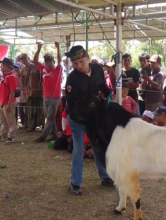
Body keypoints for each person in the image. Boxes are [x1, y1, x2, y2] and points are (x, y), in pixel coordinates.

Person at [65, 45, 114, 195]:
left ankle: (105, 177)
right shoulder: (72, 79)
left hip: (93, 117)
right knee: (79, 149)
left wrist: (109, 93)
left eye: (81, 62)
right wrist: (89, 105)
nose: (79, 66)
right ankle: (75, 183)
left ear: (87, 58)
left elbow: (102, 85)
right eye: (75, 63)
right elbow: (72, 103)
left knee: (99, 146)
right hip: (77, 119)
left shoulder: (98, 69)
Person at [34, 42, 62, 143]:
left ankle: (43, 136)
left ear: (53, 62)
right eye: (47, 62)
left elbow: (60, 60)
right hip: (45, 96)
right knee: (49, 116)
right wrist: (39, 48)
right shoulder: (44, 69)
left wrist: (58, 48)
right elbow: (35, 61)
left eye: (50, 61)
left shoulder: (58, 70)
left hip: (55, 97)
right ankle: (54, 134)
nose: (48, 63)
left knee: (50, 117)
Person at [0, 58, 18, 144]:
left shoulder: (12, 76)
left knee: (11, 121)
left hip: (8, 102)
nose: (1, 66)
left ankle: (11, 136)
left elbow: (13, 91)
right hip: (2, 101)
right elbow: (1, 89)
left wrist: (9, 104)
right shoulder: (4, 76)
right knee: (3, 121)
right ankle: (4, 135)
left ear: (8, 66)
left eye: (3, 65)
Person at [20, 53, 44, 132]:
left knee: (39, 109)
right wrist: (25, 90)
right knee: (30, 110)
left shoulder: (35, 67)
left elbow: (41, 78)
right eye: (22, 59)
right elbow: (23, 81)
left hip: (38, 92)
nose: (24, 60)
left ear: (28, 58)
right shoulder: (23, 69)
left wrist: (41, 87)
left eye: (25, 58)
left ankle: (42, 124)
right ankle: (31, 126)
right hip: (29, 92)